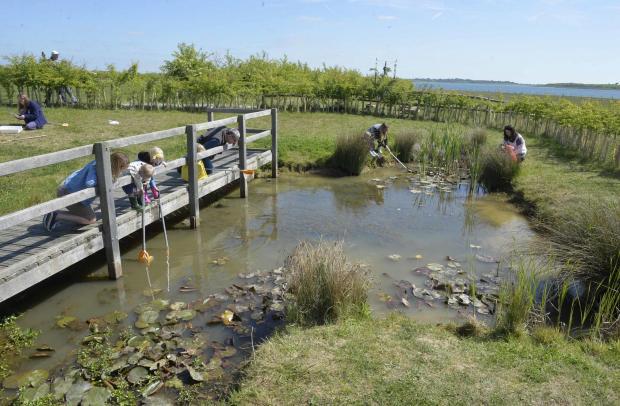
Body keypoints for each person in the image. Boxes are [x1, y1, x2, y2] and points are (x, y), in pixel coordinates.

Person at [43, 152, 129, 231]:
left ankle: (54, 214)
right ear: (117, 166)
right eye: (122, 169)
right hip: (68, 192)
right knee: (90, 219)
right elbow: (90, 183)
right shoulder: (97, 167)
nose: (122, 172)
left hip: (73, 192)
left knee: (85, 216)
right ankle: (57, 216)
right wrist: (103, 182)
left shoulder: (102, 163)